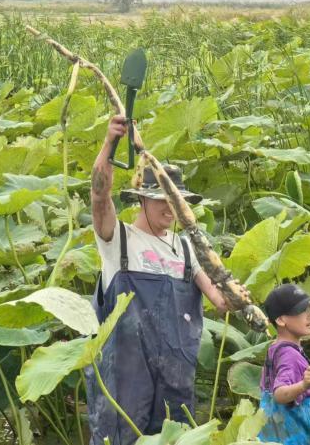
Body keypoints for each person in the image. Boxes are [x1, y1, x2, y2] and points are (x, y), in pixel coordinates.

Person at [85, 114, 226, 445]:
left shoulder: (185, 247)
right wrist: (110, 143)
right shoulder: (118, 239)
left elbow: (218, 299)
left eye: (176, 201)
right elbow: (98, 196)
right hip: (125, 379)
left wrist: (239, 299)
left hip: (175, 377)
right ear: (142, 198)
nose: (171, 208)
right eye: (164, 199)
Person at [258, 284, 310, 445]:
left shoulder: (275, 348)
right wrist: (303, 385)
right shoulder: (290, 355)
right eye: (301, 311)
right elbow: (279, 394)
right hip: (293, 439)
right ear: (280, 320)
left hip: (273, 437)